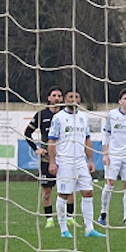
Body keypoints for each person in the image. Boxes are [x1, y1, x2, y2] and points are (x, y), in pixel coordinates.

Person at [47, 90, 106, 239]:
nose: (74, 100)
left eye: (77, 97)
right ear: (65, 100)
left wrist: (90, 160)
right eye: (70, 97)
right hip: (65, 161)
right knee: (64, 194)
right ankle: (63, 229)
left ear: (80, 100)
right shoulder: (58, 118)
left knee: (88, 192)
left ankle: (89, 229)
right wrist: (52, 162)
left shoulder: (83, 118)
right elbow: (52, 141)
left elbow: (87, 139)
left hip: (81, 161)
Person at [24, 86, 75, 228]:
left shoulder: (69, 114)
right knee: (47, 190)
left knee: (68, 189)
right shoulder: (41, 115)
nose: (57, 98)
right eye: (54, 95)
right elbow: (27, 133)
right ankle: (49, 219)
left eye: (59, 95)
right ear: (49, 97)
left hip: (65, 157)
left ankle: (70, 217)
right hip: (47, 159)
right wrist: (36, 149)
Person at [98, 89, 126, 226]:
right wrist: (105, 153)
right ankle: (103, 213)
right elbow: (105, 135)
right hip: (114, 155)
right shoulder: (111, 115)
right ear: (120, 101)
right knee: (109, 184)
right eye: (125, 98)